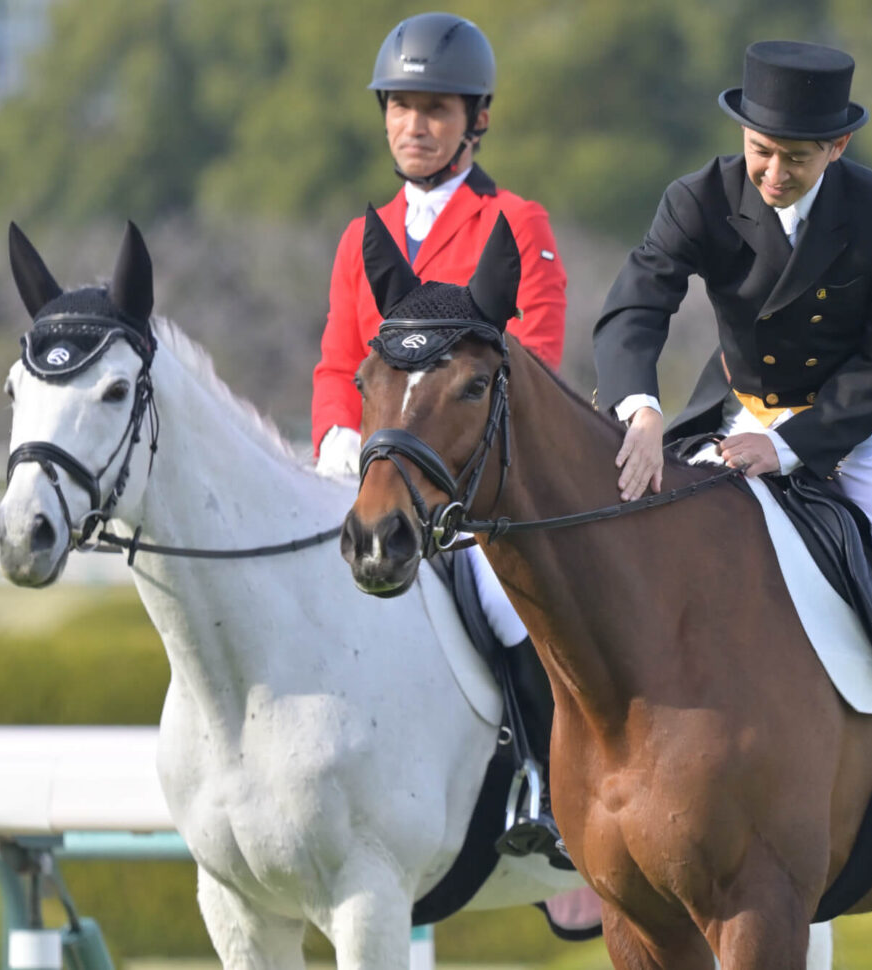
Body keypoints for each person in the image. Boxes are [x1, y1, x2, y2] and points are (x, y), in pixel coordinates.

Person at [593, 40, 872, 873]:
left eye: (793, 160)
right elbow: (636, 305)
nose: (770, 174)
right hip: (728, 408)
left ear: (836, 148)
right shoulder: (697, 197)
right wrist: (642, 408)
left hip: (852, 425)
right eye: (760, 153)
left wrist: (790, 444)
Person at [311, 12, 568, 863]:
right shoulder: (364, 237)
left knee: (507, 605)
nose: (414, 127)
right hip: (377, 475)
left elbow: (535, 355)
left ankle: (543, 779)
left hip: (475, 485)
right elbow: (337, 362)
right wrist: (337, 440)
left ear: (474, 122)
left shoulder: (515, 223)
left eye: (435, 111)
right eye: (401, 108)